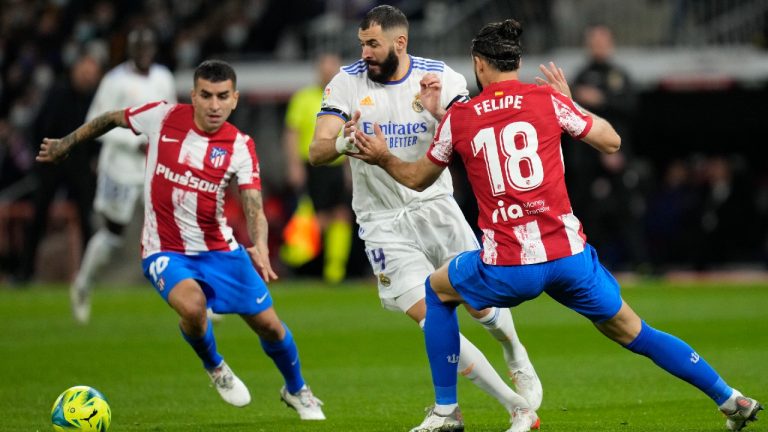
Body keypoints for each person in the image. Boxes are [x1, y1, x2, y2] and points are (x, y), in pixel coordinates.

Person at [351, 19, 763, 432]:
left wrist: (383, 156)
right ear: (517, 62)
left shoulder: (461, 117)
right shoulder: (547, 99)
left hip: (509, 266)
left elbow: (417, 179)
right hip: (569, 258)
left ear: (479, 65)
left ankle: (446, 412)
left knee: (437, 292)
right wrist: (574, 105)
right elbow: (612, 141)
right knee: (635, 331)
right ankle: (730, 397)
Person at [36, 60, 326, 421]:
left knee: (270, 325)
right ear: (193, 95)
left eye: (222, 97)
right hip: (165, 248)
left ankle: (297, 390)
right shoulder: (162, 116)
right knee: (193, 307)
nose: (214, 105)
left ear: (234, 99)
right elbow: (112, 118)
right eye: (206, 95)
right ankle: (215, 366)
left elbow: (254, 205)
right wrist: (68, 142)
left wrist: (261, 244)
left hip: (220, 250)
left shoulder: (240, 145)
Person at [308, 4, 542, 426]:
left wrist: (439, 113)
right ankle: (514, 405)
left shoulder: (441, 78)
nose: (365, 53)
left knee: (479, 303)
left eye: (373, 44)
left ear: (400, 42)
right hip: (381, 221)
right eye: (362, 44)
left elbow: (472, 133)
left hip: (436, 207)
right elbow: (316, 149)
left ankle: (514, 350)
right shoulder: (345, 82)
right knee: (429, 315)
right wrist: (342, 143)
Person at [70, 27, 177, 323]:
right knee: (113, 235)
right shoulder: (114, 81)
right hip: (119, 167)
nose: (143, 54)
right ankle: (83, 284)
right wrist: (134, 141)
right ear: (129, 50)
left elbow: (169, 117)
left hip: (153, 167)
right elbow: (94, 124)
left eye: (148, 48)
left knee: (174, 228)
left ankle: (200, 297)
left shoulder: (163, 78)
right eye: (138, 48)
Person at [16, 53, 102, 284]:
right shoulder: (58, 92)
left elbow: (99, 134)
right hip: (51, 162)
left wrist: (94, 159)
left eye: (92, 75)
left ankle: (88, 276)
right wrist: (40, 157)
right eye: (85, 72)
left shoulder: (94, 98)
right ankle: (24, 273)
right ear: (75, 70)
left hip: (79, 164)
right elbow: (38, 125)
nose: (87, 78)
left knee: (86, 220)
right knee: (38, 217)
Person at [282, 53, 352, 284]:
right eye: (325, 70)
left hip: (338, 164)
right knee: (315, 218)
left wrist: (350, 170)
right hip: (312, 166)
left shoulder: (346, 98)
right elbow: (292, 134)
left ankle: (335, 272)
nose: (328, 74)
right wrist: (294, 165)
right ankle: (295, 262)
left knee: (341, 216)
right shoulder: (303, 98)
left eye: (332, 70)